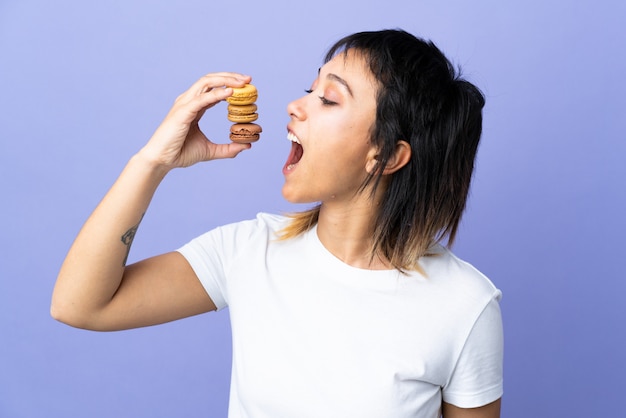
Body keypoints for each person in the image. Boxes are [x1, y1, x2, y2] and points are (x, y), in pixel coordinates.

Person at [51, 29, 503, 418]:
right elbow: (79, 305)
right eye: (310, 89)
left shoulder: (465, 305)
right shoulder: (248, 251)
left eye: (328, 98)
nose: (295, 105)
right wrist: (153, 161)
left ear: (385, 155)